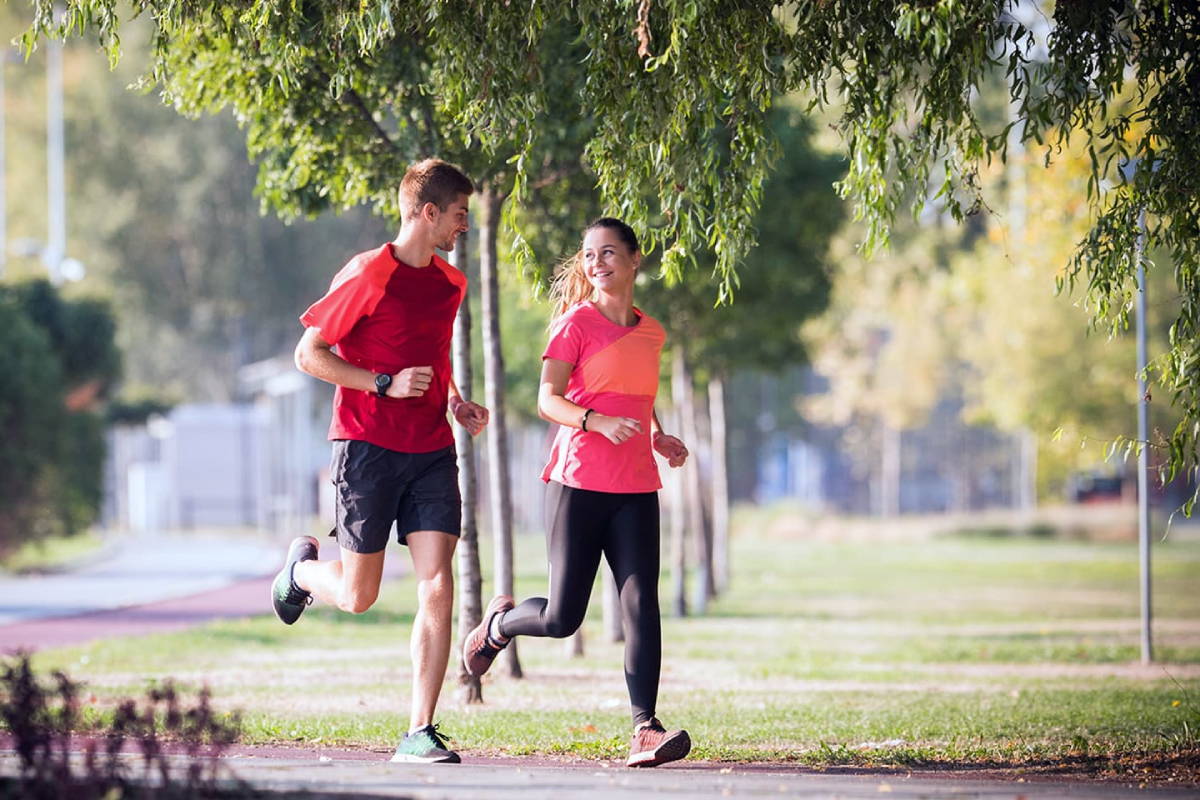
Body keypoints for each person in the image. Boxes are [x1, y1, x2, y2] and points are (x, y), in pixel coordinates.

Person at [271, 158, 489, 765]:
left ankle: (419, 729)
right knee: (358, 596)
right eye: (458, 215)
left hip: (430, 451)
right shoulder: (369, 274)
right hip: (366, 446)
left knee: (438, 584)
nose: (462, 227)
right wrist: (382, 382)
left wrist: (455, 402)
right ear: (427, 213)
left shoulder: (451, 284)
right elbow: (307, 354)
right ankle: (299, 574)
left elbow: (435, 356)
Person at [462, 217, 692, 768]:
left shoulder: (652, 331)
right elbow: (548, 399)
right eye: (590, 256)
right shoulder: (575, 323)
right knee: (564, 616)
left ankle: (644, 729)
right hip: (578, 483)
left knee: (642, 604)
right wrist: (593, 421)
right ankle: (497, 627)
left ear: (636, 259)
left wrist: (658, 434)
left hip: (636, 484)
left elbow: (636, 394)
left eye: (609, 253)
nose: (597, 264)